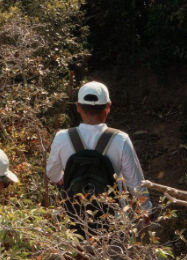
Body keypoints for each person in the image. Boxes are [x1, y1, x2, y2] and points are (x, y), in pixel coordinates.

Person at [46, 80, 152, 217]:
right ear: (108, 107)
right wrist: (146, 211)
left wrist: (61, 176)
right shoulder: (121, 139)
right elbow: (136, 184)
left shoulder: (62, 137)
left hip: (74, 218)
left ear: (78, 107)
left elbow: (52, 174)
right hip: (112, 219)